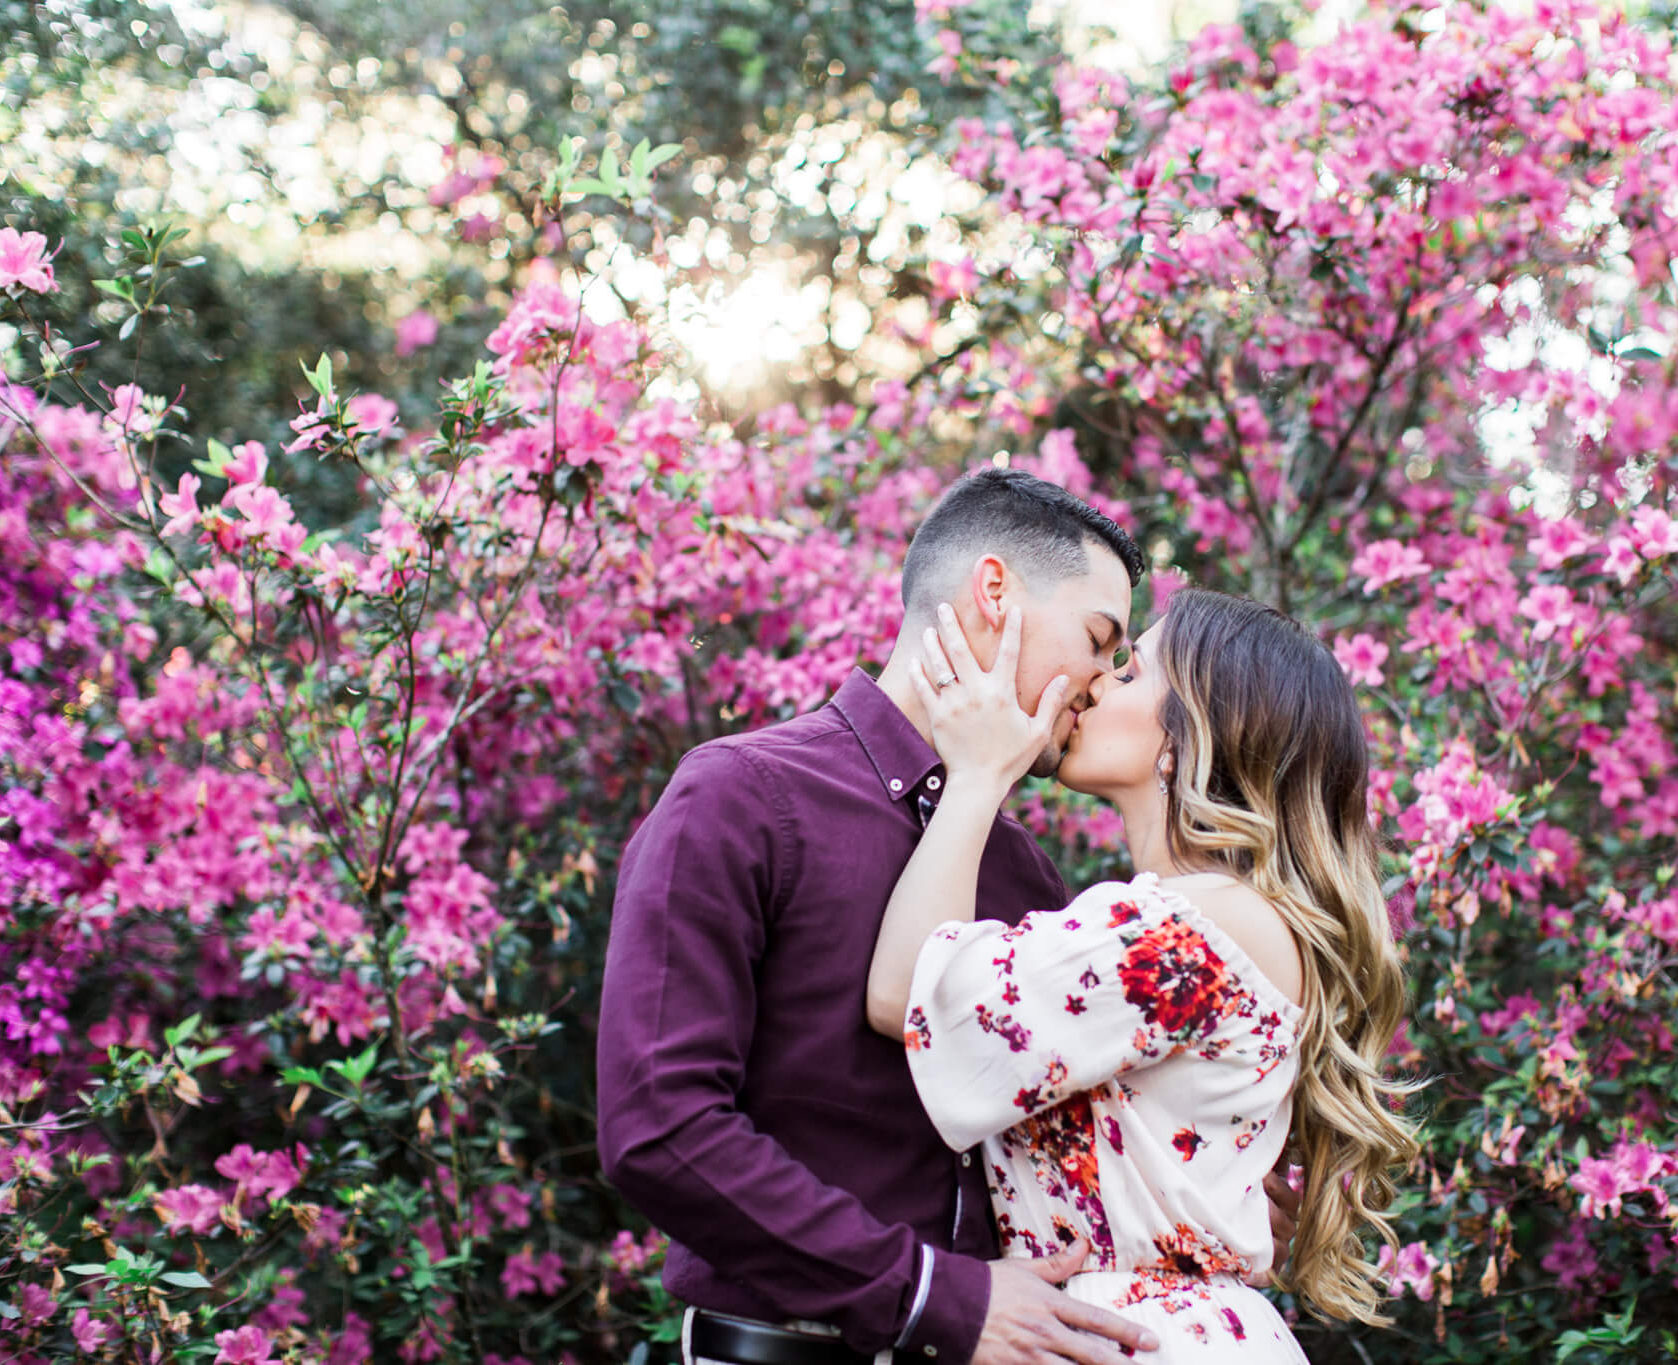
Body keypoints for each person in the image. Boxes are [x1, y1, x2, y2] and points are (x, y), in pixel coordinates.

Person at [599, 470, 1297, 1365]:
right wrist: (933, 1296)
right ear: (994, 593)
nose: (1097, 681)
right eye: (1096, 639)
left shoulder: (1025, 874)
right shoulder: (741, 795)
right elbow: (659, 1126)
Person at [864, 587, 1421, 1361]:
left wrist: (978, 775)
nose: (1094, 683)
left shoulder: (1191, 926)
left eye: (1129, 673)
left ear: (1186, 738)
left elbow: (909, 998)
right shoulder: (1221, 917)